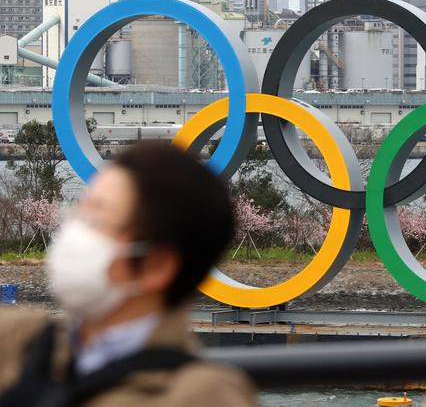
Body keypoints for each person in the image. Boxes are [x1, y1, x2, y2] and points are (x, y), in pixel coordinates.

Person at [0, 142, 257, 407]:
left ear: (156, 266)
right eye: (79, 214)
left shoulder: (201, 396)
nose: (74, 235)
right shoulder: (28, 342)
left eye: (97, 221)